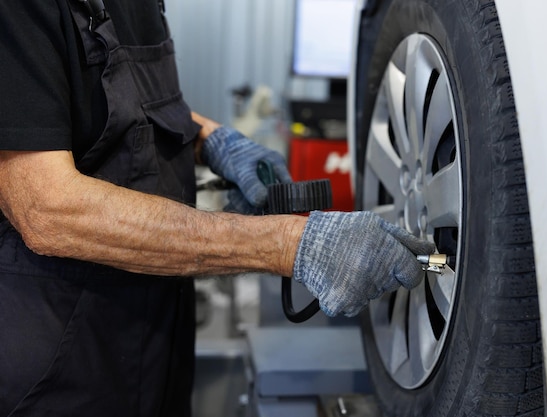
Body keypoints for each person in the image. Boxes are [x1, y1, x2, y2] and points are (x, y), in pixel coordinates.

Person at [0, 1, 434, 416]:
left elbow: (122, 109)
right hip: (61, 372)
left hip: (157, 345)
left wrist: (213, 141)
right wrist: (287, 244)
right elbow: (45, 209)